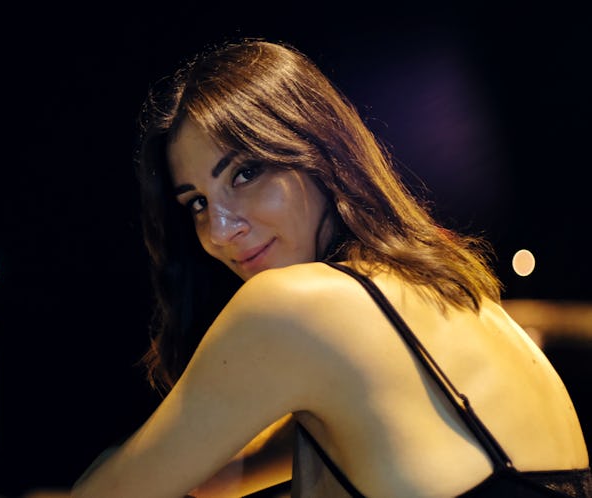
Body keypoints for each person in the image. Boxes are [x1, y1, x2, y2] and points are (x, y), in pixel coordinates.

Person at [72, 38, 591, 497]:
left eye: (246, 172)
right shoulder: (466, 302)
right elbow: (219, 479)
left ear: (319, 152)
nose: (220, 231)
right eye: (197, 203)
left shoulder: (296, 305)